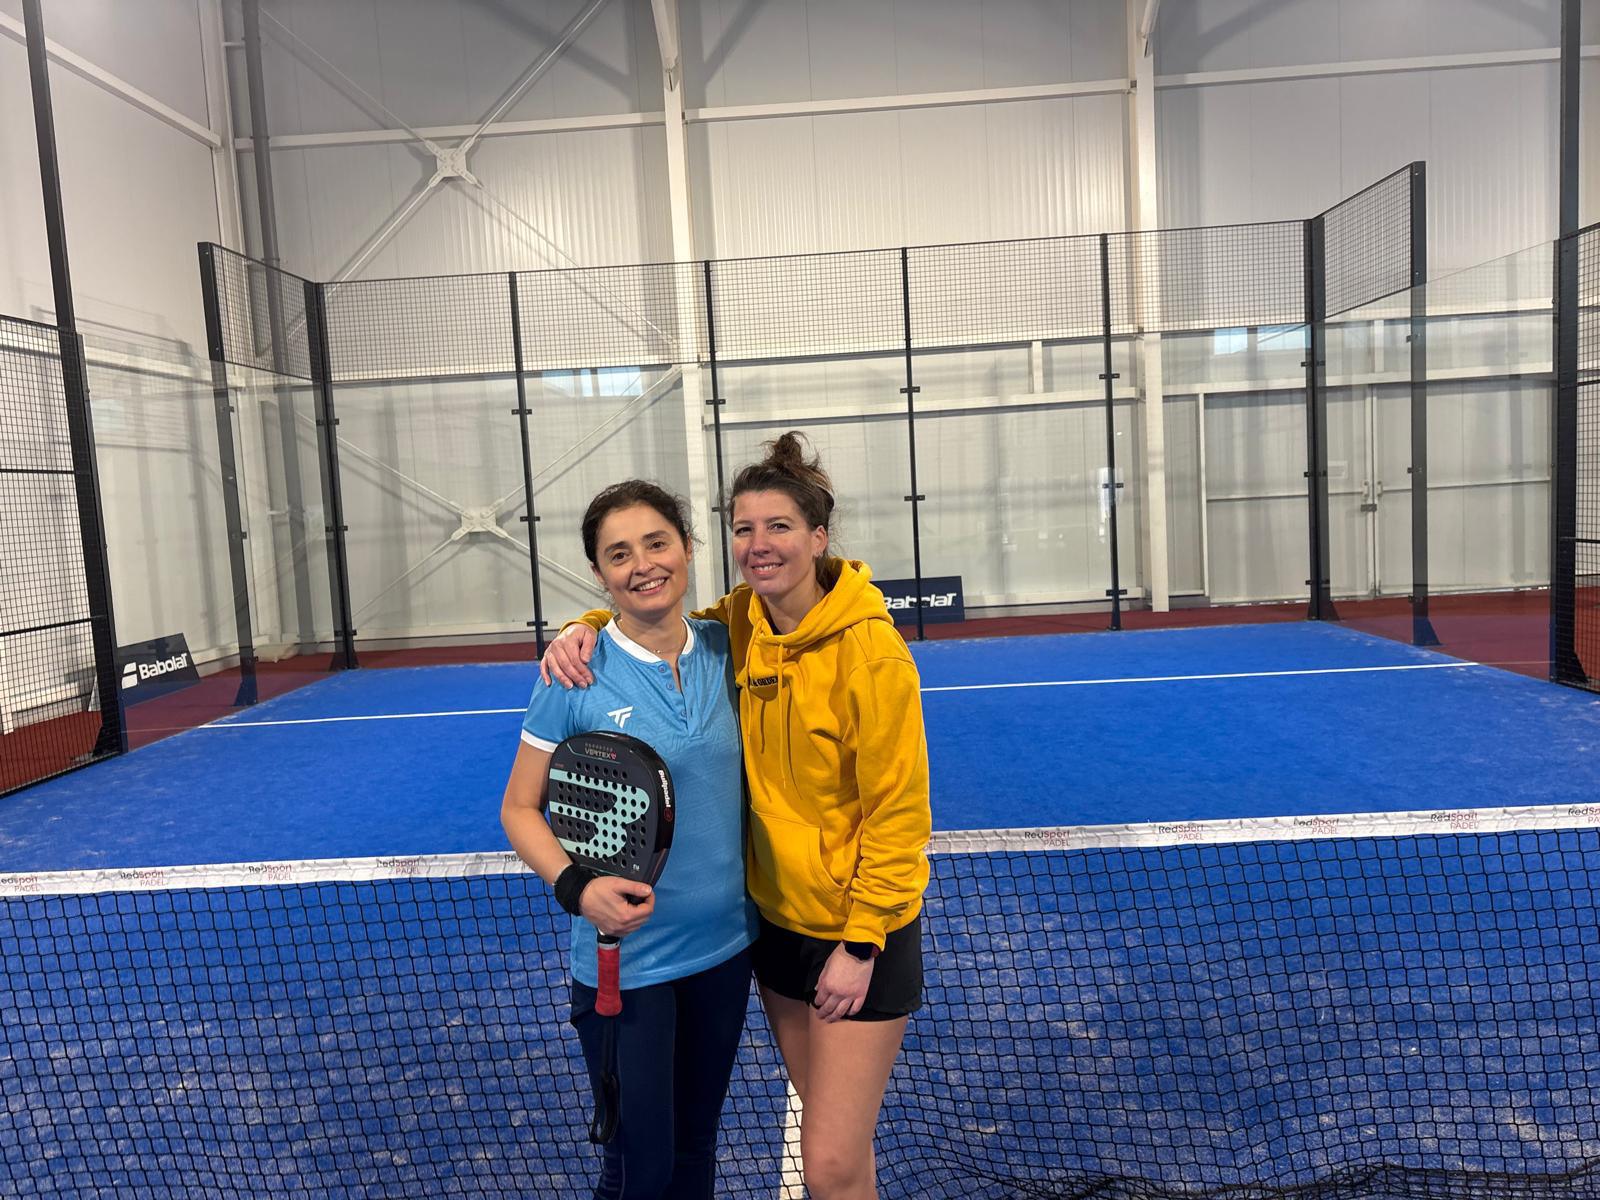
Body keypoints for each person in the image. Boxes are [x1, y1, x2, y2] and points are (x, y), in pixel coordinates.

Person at [542, 433, 932, 1200]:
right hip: (774, 929)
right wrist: (582, 624)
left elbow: (899, 815)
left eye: (779, 526)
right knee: (841, 1148)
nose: (759, 544)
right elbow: (653, 617)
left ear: (818, 537)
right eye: (745, 528)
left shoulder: (873, 655)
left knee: (828, 1162)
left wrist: (861, 943)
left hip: (855, 935)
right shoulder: (743, 623)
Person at [501, 480, 756, 1200]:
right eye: (619, 554)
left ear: (687, 548)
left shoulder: (729, 649)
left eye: (656, 543)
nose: (643, 565)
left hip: (727, 949)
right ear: (599, 573)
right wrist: (578, 890)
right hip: (628, 962)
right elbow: (519, 808)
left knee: (695, 1150)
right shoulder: (574, 675)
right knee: (639, 1170)